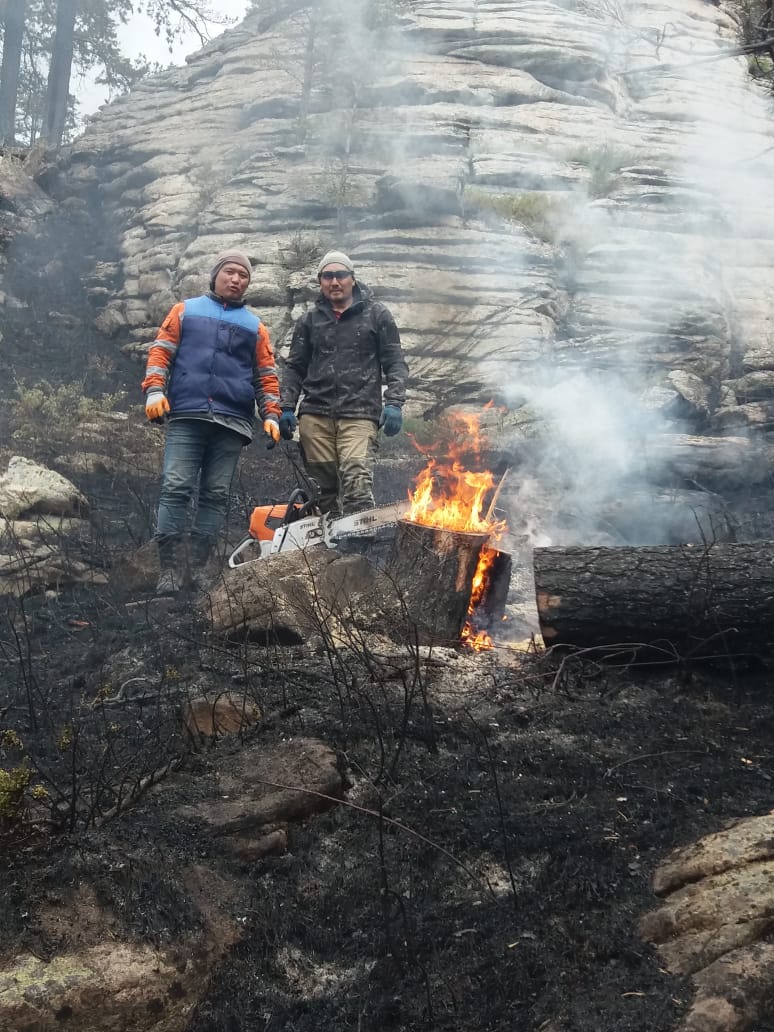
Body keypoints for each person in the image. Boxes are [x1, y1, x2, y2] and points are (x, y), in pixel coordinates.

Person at [142, 249, 281, 594]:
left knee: (215, 495)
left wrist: (272, 414)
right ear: (216, 275)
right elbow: (161, 352)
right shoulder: (184, 310)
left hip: (232, 422)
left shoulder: (255, 326)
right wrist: (154, 391)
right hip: (187, 414)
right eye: (230, 272)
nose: (236, 279)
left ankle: (200, 570)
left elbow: (266, 374)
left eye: (243, 275)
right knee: (175, 487)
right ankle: (170, 571)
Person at [278, 250, 408, 517]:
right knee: (325, 491)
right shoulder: (309, 320)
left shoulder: (377, 315)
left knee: (356, 480)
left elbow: (395, 361)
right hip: (315, 415)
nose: (334, 282)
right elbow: (295, 368)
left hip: (360, 413)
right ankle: (330, 553)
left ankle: (360, 550)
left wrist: (394, 402)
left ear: (352, 278)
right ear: (320, 281)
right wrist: (287, 407)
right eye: (327, 276)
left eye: (340, 275)